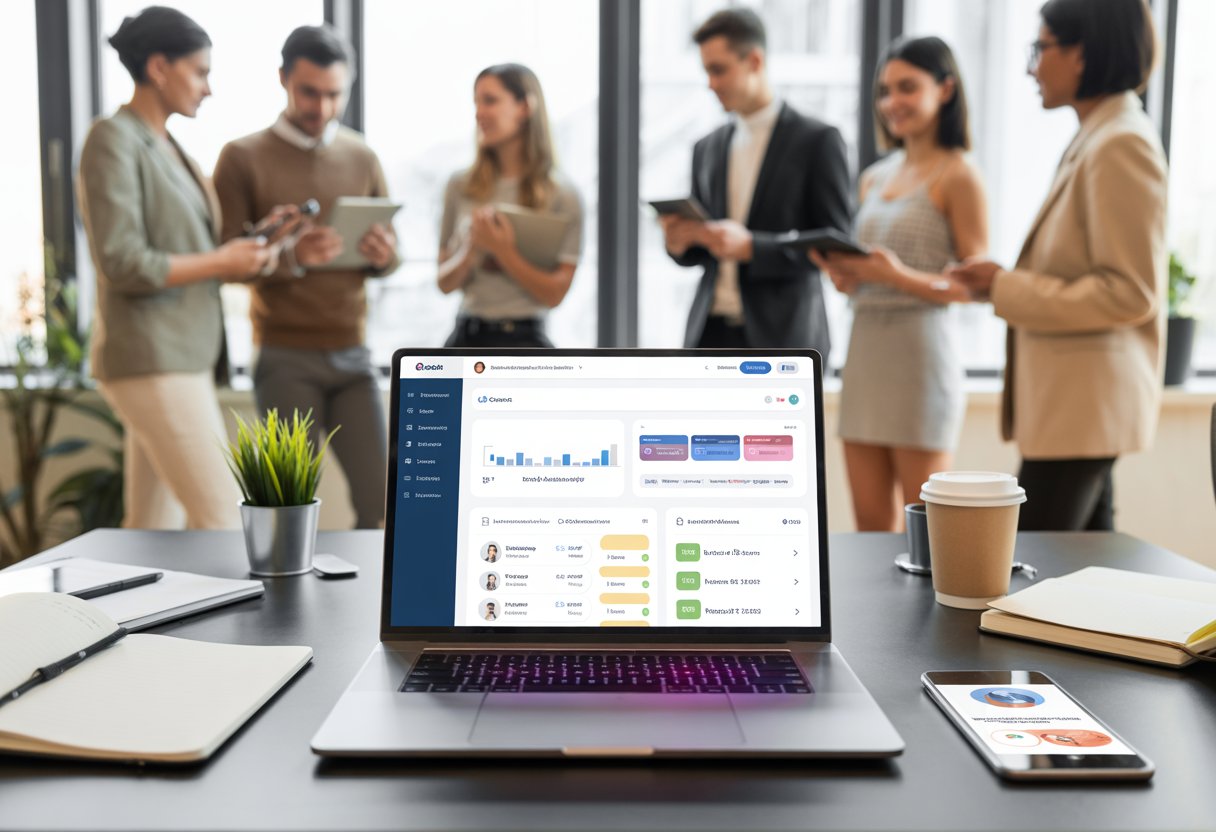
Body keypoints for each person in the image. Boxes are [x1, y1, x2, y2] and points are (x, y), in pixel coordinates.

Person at [951, 0, 1166, 531]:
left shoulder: (1120, 144)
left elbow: (1129, 292)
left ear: (1081, 54)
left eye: (1040, 48)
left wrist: (1005, 287)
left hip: (1082, 413)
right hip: (1079, 413)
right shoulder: (1098, 137)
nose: (1030, 67)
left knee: (1028, 577)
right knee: (1081, 583)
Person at [78, 7, 282, 530]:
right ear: (159, 67)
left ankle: (119, 615)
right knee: (221, 521)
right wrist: (222, 260)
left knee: (150, 530)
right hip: (152, 355)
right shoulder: (113, 139)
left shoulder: (171, 147)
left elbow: (192, 248)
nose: (208, 88)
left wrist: (252, 245)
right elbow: (122, 261)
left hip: (179, 355)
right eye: (200, 72)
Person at [213, 25, 400, 529]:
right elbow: (224, 261)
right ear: (283, 80)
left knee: (385, 504)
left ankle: (372, 609)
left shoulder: (363, 156)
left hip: (353, 355)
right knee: (287, 510)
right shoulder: (241, 157)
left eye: (334, 94)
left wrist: (384, 255)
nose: (322, 108)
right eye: (309, 92)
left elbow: (391, 256)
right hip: (284, 358)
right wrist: (294, 254)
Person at [810, 37, 986, 531]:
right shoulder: (873, 177)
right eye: (885, 91)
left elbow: (975, 287)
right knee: (869, 526)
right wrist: (849, 276)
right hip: (865, 352)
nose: (892, 103)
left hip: (920, 359)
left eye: (907, 87)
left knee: (926, 530)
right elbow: (868, 278)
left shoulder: (959, 174)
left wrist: (894, 275)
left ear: (945, 89)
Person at [661, 8, 850, 355]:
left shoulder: (818, 140)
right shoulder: (707, 147)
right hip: (709, 335)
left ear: (755, 61)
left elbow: (836, 245)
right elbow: (703, 253)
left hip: (783, 337)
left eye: (718, 70)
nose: (710, 84)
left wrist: (753, 247)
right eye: (706, 71)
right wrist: (680, 243)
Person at [437, 64, 583, 347]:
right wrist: (471, 249)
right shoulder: (459, 186)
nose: (479, 112)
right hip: (466, 336)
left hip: (527, 341)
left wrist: (502, 250)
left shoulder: (563, 196)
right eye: (476, 102)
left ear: (525, 106)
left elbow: (554, 295)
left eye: (490, 100)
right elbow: (444, 283)